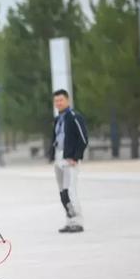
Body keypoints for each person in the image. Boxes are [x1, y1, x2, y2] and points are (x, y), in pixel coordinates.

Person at [49, 89, 89, 233]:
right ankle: (70, 220)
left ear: (67, 100)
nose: (58, 103)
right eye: (56, 101)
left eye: (61, 100)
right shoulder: (57, 119)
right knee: (62, 192)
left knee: (70, 190)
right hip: (58, 157)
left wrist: (76, 157)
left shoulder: (74, 117)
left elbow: (83, 139)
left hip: (70, 159)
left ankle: (78, 221)